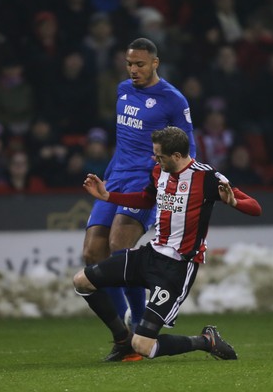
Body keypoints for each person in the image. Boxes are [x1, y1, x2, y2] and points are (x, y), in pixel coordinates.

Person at [73, 126, 262, 362]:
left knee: (144, 346)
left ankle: (205, 341)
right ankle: (122, 340)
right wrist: (109, 197)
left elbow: (255, 207)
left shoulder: (207, 177)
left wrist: (234, 202)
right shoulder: (158, 172)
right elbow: (146, 199)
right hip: (149, 255)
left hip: (175, 269)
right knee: (82, 281)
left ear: (176, 156)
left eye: (159, 155)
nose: (155, 159)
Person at [82, 38, 196, 361]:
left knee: (119, 245)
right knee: (92, 253)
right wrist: (108, 177)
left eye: (140, 64)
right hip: (115, 177)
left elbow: (190, 150)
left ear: (155, 63)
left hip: (145, 183)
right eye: (129, 64)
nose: (133, 70)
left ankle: (138, 327)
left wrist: (177, 186)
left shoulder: (173, 100)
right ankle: (123, 336)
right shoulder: (122, 91)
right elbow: (124, 142)